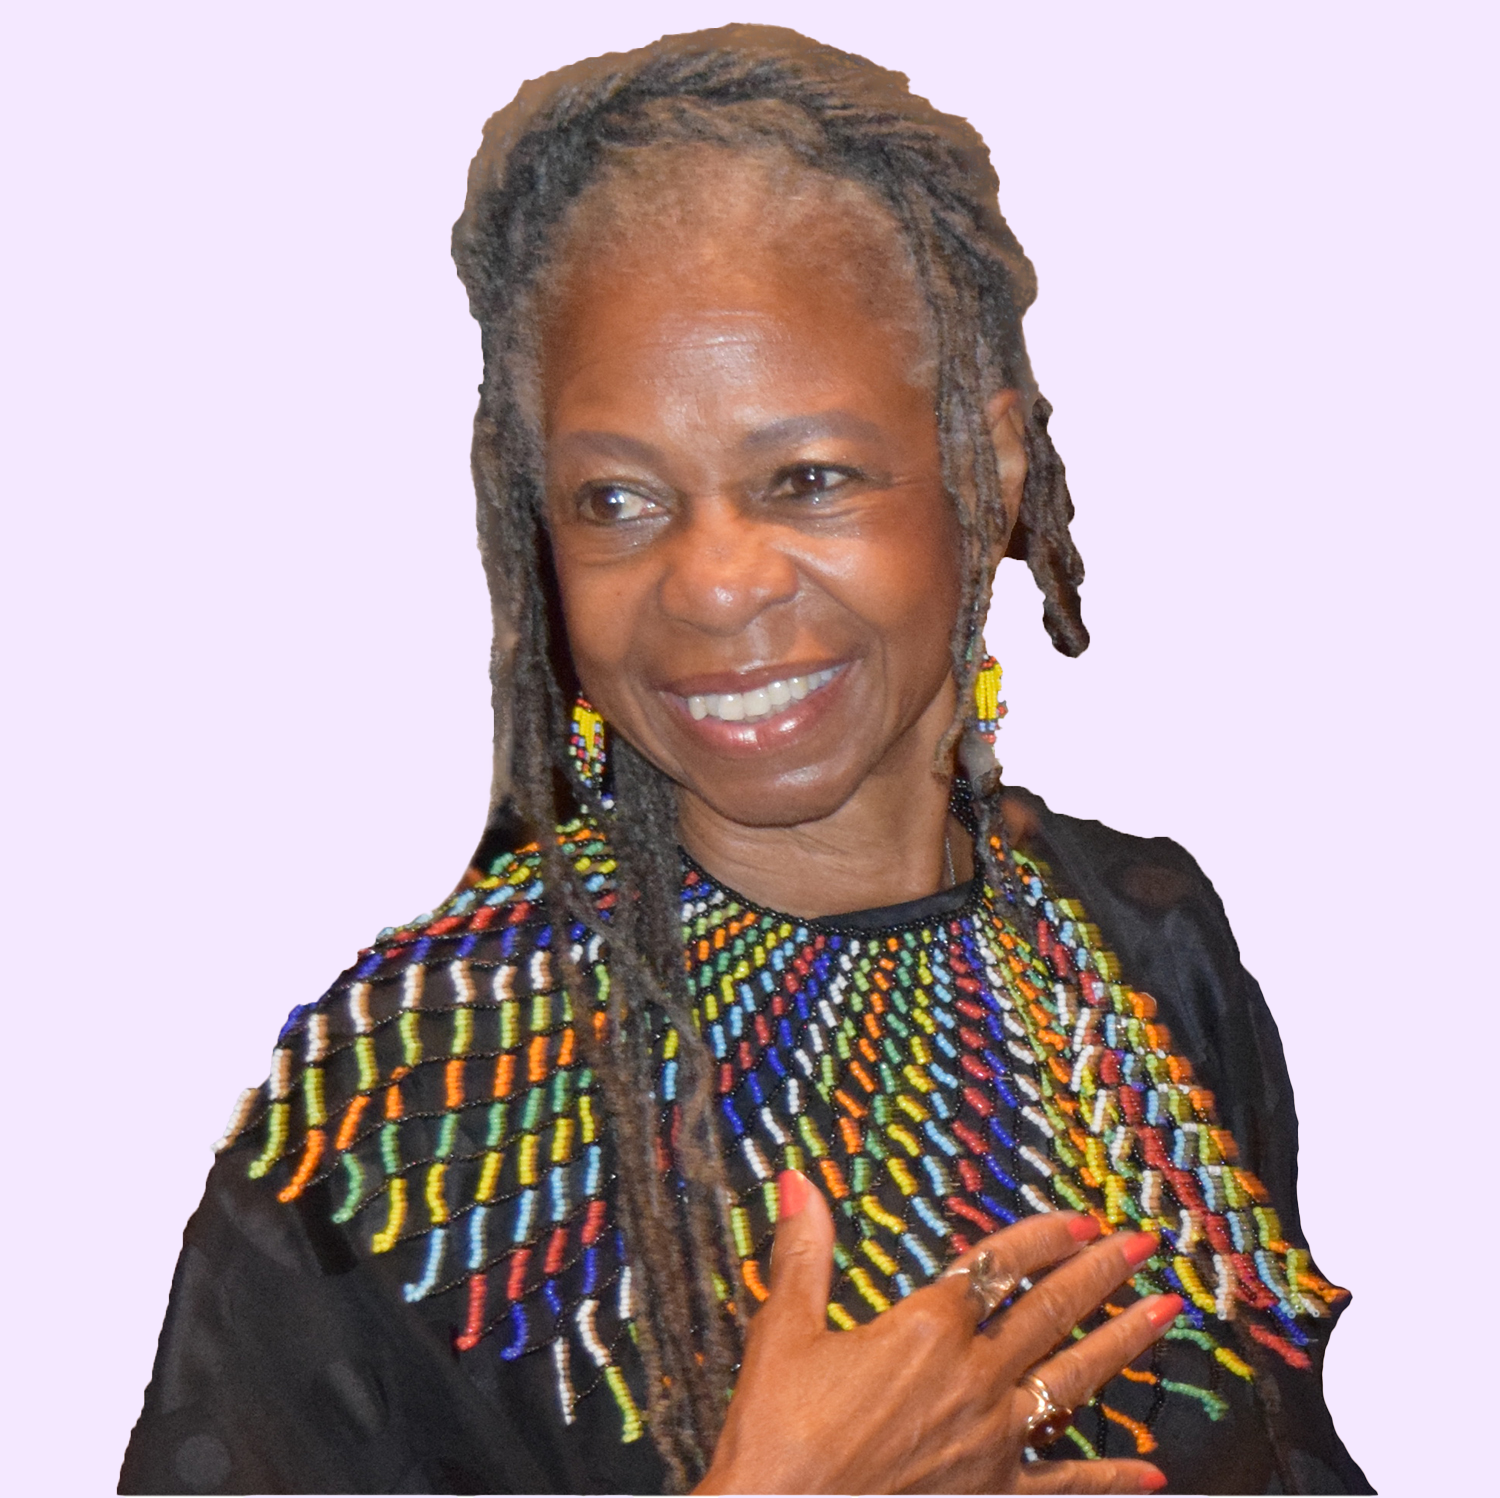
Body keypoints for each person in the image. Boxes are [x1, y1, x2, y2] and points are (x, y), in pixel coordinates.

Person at [120, 24, 1371, 1496]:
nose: (714, 583)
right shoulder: (396, 1114)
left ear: (992, 464)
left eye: (809, 478)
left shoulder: (1144, 944)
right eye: (618, 499)